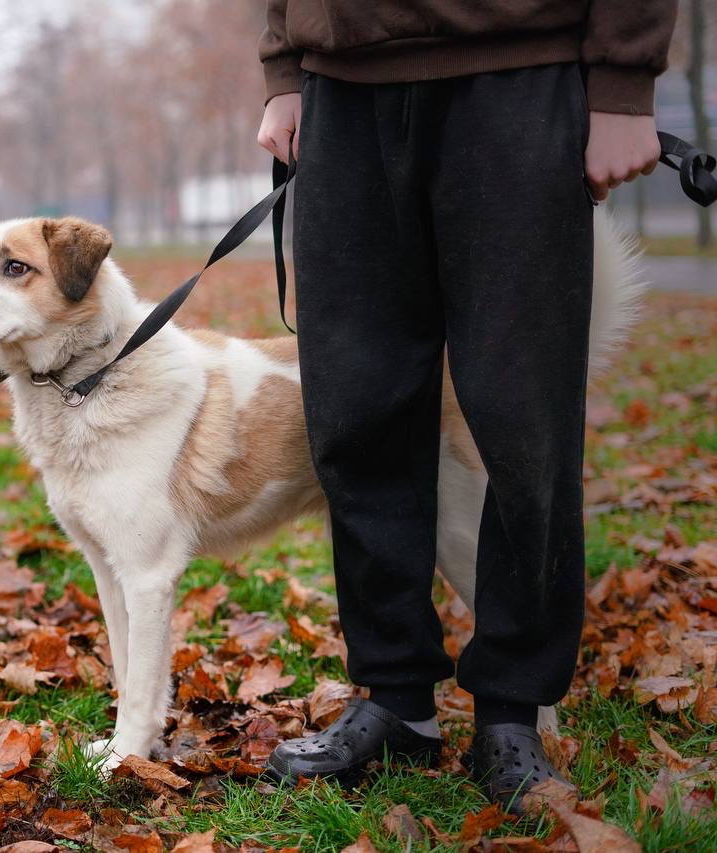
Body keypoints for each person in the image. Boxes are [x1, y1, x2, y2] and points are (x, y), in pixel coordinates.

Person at [254, 1, 677, 811]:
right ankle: (398, 696)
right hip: (340, 85)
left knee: (524, 422)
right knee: (356, 415)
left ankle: (512, 710)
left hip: (517, 75)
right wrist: (284, 68)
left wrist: (623, 81)